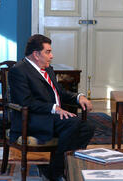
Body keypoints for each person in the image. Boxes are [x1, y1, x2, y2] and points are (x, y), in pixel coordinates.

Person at [8, 34, 95, 181]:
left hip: (51, 117)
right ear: (36, 54)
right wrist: (54, 108)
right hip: (31, 119)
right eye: (48, 52)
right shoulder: (19, 70)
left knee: (88, 127)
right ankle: (58, 172)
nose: (52, 56)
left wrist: (79, 97)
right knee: (73, 123)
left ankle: (56, 169)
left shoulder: (48, 69)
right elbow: (25, 101)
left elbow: (60, 92)